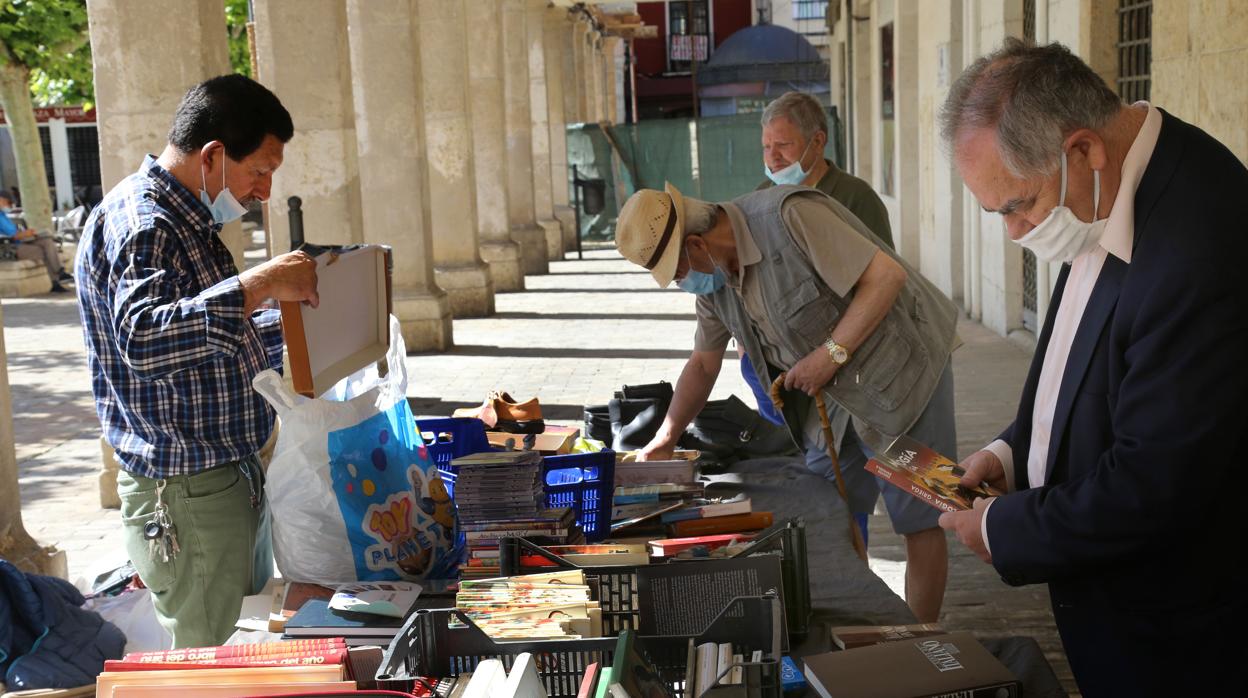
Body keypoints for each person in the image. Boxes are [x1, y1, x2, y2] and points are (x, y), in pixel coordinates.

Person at [936, 39, 1248, 695]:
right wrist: (1013, 452)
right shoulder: (1108, 191)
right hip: (1109, 610)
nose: (1015, 232)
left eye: (1017, 204)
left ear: (1083, 150)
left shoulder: (1200, 246)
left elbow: (1152, 486)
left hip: (1178, 640)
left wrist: (1000, 527)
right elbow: (1080, 367)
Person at [614, 180, 960, 622]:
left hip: (908, 374)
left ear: (697, 244)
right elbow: (703, 365)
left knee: (923, 517)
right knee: (831, 511)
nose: (682, 282)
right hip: (834, 398)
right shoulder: (714, 283)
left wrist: (829, 354)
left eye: (677, 270)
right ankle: (872, 627)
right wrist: (665, 438)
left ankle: (923, 644)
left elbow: (887, 276)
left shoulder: (789, 215)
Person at [75, 74, 319, 648]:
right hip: (187, 491)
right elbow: (147, 337)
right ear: (212, 156)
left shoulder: (190, 219)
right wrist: (257, 284)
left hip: (228, 476)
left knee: (236, 650)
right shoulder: (145, 222)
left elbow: (212, 334)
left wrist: (301, 322)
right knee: (207, 660)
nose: (262, 191)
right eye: (258, 171)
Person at [0, 191, 72, 293]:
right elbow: (13, 235)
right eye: (9, 202)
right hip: (10, 248)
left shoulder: (3, 215)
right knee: (48, 251)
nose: (10, 205)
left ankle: (59, 274)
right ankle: (56, 279)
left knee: (47, 241)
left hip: (20, 242)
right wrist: (26, 234)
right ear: (1, 200)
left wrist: (28, 234)